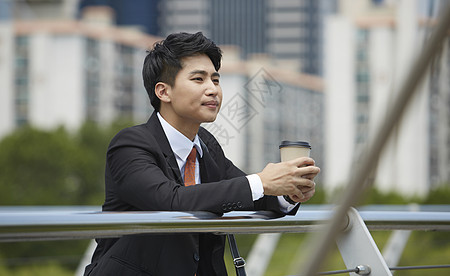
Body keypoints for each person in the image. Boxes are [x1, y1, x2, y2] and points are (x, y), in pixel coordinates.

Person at [84, 32, 320, 276]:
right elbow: (171, 201)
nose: (213, 90)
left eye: (216, 80)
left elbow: (255, 195)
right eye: (198, 79)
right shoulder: (130, 145)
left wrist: (289, 192)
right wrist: (262, 181)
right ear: (163, 92)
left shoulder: (207, 146)